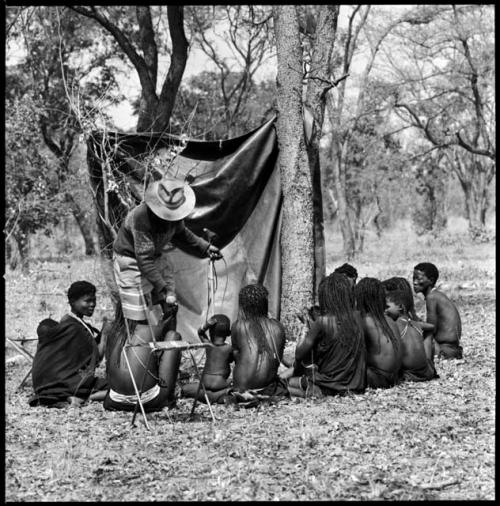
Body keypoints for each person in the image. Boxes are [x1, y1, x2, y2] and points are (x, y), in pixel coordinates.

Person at [112, 176, 222, 326]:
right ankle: (136, 342)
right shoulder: (140, 218)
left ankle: (164, 340)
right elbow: (144, 259)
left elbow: (183, 233)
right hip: (131, 261)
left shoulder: (175, 216)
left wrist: (205, 247)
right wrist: (165, 289)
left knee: (168, 308)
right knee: (137, 316)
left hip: (154, 258)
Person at [281, 273, 366, 397]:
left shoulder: (323, 321)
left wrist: (305, 327)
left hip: (329, 384)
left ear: (325, 297)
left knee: (284, 384)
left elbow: (299, 354)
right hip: (355, 385)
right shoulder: (358, 317)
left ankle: (313, 390)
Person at [29, 281, 109, 408]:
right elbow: (97, 357)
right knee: (118, 388)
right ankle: (87, 397)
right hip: (66, 382)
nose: (93, 304)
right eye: (87, 301)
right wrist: (105, 333)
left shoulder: (68, 321)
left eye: (94, 300)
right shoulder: (74, 327)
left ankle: (70, 396)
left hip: (44, 385)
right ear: (72, 302)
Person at [103, 303, 182, 412]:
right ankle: (168, 399)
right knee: (173, 336)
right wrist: (172, 315)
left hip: (114, 400)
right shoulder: (153, 330)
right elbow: (169, 335)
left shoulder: (111, 330)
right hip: (148, 401)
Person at [229, 284, 288, 405]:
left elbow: (236, 358)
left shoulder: (238, 326)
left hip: (241, 389)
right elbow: (277, 360)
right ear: (265, 305)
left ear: (243, 307)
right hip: (268, 389)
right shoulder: (278, 327)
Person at [354, 278, 402, 389]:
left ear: (362, 299)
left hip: (376, 378)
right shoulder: (389, 320)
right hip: (394, 377)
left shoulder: (366, 321)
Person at [385, 290, 439, 382]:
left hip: (410, 375)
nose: (384, 310)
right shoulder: (415, 324)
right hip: (427, 372)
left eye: (387, 307)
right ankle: (428, 361)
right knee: (429, 333)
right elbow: (431, 327)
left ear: (401, 307)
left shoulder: (395, 325)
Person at [413, 262, 463, 359]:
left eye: (419, 279)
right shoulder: (436, 295)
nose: (415, 282)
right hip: (452, 349)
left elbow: (431, 328)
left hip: (444, 350)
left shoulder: (432, 297)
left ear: (431, 280)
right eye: (413, 278)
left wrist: (413, 323)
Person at [181, 314, 234, 404]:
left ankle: (209, 396)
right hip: (220, 384)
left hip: (204, 384)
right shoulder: (229, 348)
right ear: (228, 333)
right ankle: (219, 396)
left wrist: (207, 325)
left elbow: (200, 332)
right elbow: (231, 360)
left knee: (185, 389)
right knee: (235, 385)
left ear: (210, 332)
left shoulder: (208, 345)